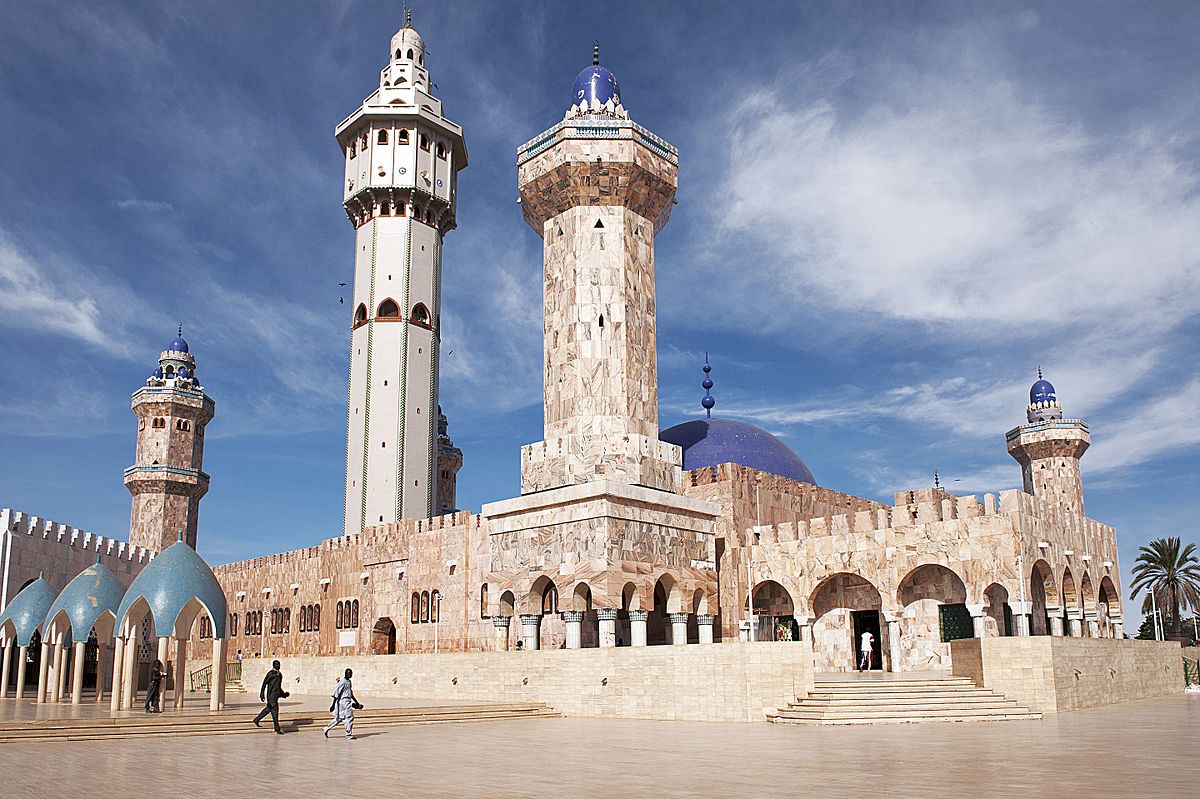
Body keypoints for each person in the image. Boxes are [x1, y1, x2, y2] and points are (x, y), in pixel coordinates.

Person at [323, 668, 362, 740]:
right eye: (349, 673)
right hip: (343, 702)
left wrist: (357, 702)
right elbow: (336, 693)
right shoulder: (342, 682)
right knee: (349, 718)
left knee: (339, 718)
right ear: (345, 673)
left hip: (346, 701)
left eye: (351, 673)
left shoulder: (349, 682)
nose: (350, 674)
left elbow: (350, 693)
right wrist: (333, 705)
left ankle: (326, 728)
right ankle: (348, 735)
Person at [253, 660, 289, 734]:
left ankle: (257, 719)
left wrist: (284, 694)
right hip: (271, 696)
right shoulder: (270, 674)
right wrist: (262, 693)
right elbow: (264, 683)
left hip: (275, 695)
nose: (278, 666)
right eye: (276, 664)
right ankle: (277, 729)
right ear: (273, 665)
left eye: (279, 664)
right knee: (275, 711)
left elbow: (278, 687)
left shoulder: (279, 674)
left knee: (268, 709)